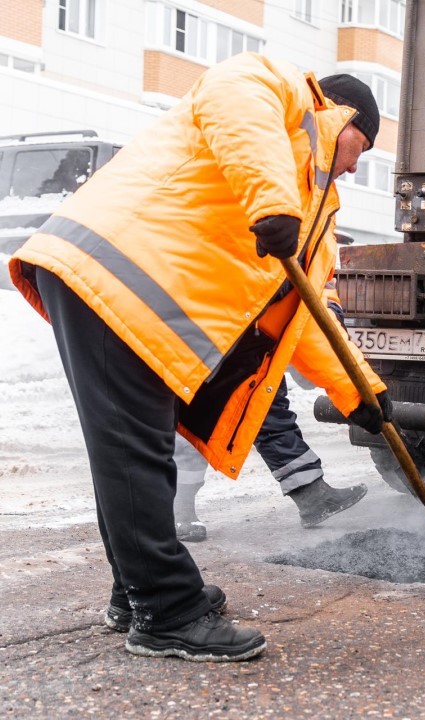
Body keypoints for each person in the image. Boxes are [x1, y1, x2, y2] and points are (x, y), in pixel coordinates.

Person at [8, 54, 392, 661]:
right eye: (360, 147)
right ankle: (167, 611)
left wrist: (359, 394)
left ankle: (138, 593)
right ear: (341, 116)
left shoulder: (312, 212)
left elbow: (307, 317)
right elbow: (235, 99)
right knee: (135, 453)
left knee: (139, 451)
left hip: (138, 299)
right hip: (112, 273)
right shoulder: (279, 94)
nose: (353, 164)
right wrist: (272, 203)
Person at [173, 375, 367, 542]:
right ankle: (178, 507)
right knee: (195, 420)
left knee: (267, 408)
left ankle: (312, 495)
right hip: (201, 349)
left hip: (254, 347)